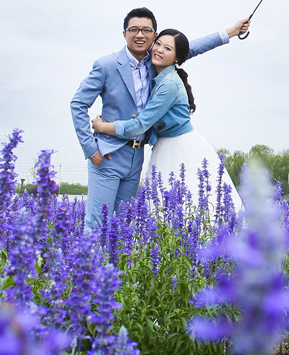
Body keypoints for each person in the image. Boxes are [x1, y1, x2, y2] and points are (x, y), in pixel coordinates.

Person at [71, 7, 249, 232]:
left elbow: (188, 48)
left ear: (153, 36)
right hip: (107, 154)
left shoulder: (154, 61)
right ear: (124, 33)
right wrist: (91, 149)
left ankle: (113, 268)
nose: (140, 35)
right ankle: (88, 268)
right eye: (133, 29)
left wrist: (230, 32)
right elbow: (77, 104)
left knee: (124, 229)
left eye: (146, 30)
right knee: (96, 225)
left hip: (136, 155)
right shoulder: (106, 66)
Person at [91, 28, 235, 216]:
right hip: (166, 143)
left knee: (183, 205)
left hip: (178, 145)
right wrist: (230, 32)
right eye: (157, 44)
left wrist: (103, 127)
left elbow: (140, 125)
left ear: (177, 58)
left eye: (167, 48)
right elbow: (194, 47)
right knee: (165, 206)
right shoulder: (158, 71)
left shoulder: (168, 85)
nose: (159, 50)